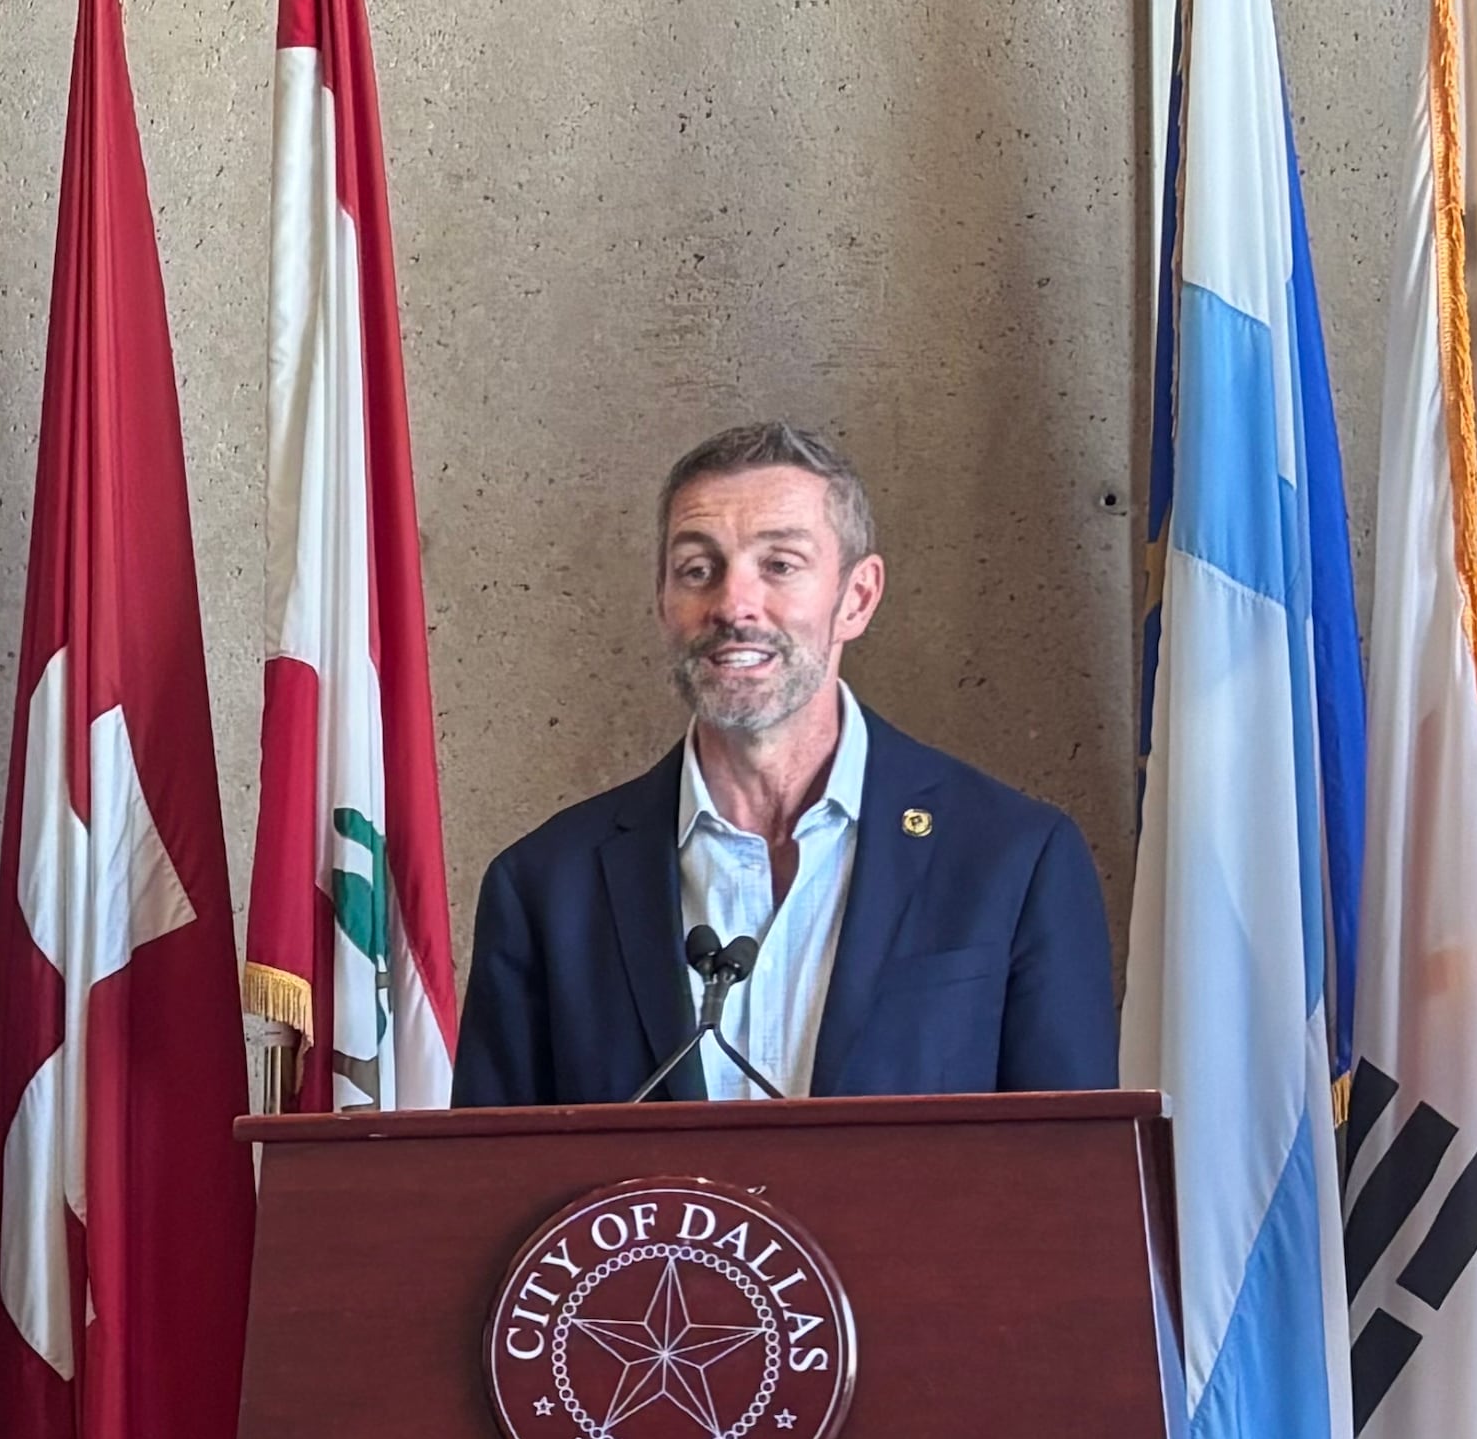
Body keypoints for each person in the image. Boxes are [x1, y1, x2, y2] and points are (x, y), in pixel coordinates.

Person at [453, 420, 1116, 1107]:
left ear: (857, 597)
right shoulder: (545, 888)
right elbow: (494, 1172)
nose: (733, 605)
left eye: (780, 565)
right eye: (698, 569)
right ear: (662, 600)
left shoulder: (1013, 859)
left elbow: (1069, 1166)